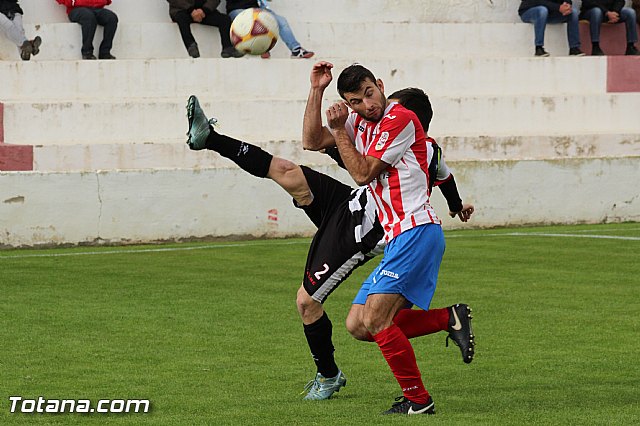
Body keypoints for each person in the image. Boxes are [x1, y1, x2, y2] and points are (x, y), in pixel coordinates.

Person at [184, 88, 474, 401]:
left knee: (308, 302)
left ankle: (329, 374)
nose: (383, 110)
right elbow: (445, 178)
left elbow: (433, 173)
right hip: (350, 204)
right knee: (286, 172)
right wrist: (316, 89)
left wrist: (341, 133)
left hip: (362, 232)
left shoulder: (413, 145)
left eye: (394, 107)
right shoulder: (397, 138)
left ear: (411, 119)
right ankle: (209, 138)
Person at [301, 61, 474, 415]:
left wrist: (340, 131)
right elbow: (310, 140)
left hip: (416, 230)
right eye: (356, 101)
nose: (368, 105)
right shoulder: (360, 123)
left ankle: (418, 400)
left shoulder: (401, 119)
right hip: (399, 238)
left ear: (379, 85)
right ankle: (449, 318)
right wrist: (317, 90)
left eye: (369, 93)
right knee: (358, 325)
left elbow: (362, 173)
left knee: (377, 319)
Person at [226, 0, 314, 59]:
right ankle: (262, 48)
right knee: (255, 23)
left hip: (257, 10)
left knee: (281, 21)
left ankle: (296, 49)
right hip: (237, 10)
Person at [167, 0, 243, 58]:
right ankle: (191, 45)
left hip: (205, 12)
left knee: (225, 20)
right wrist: (190, 10)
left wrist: (204, 10)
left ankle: (227, 48)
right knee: (181, 18)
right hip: (183, 10)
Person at [518, 0, 585, 56]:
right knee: (542, 10)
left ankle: (574, 48)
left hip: (551, 13)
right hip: (530, 11)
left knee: (573, 12)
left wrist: (567, 5)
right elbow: (537, 1)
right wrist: (558, 7)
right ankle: (539, 48)